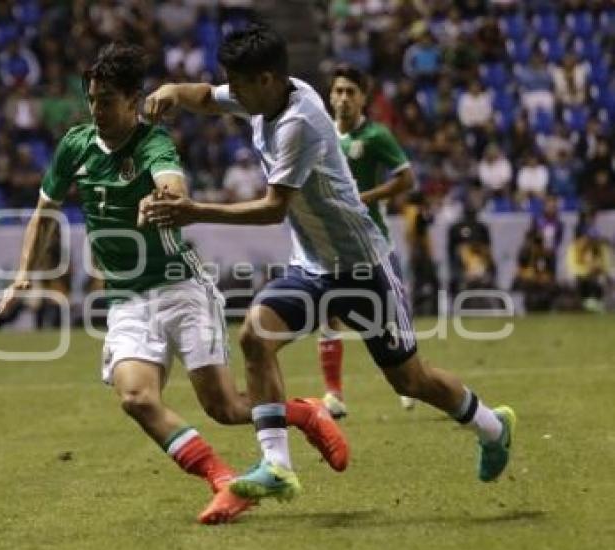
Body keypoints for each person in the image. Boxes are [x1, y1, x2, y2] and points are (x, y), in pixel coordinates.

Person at [143, 24, 516, 502]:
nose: (230, 91)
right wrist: (173, 89)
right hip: (314, 267)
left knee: (411, 379)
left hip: (362, 268)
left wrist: (193, 211)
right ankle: (276, 465)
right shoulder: (263, 94)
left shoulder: (300, 120)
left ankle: (491, 426)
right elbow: (206, 97)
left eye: (238, 83)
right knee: (256, 338)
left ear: (267, 79)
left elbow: (274, 208)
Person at [0, 43, 348, 524]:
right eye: (92, 99)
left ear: (132, 99)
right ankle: (223, 480)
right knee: (136, 399)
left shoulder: (152, 143)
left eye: (107, 100)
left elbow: (174, 184)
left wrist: (164, 196)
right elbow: (43, 216)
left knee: (224, 407)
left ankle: (304, 413)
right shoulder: (74, 146)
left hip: (182, 288)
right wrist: (20, 278)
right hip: (127, 299)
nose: (96, 109)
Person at [318, 64, 417, 418]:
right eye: (338, 91)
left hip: (371, 243)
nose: (343, 99)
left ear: (363, 99)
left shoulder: (376, 136)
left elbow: (406, 179)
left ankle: (408, 379)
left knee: (390, 314)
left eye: (351, 92)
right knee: (328, 313)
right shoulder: (321, 134)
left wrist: (366, 197)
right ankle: (334, 395)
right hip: (329, 244)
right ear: (329, 96)